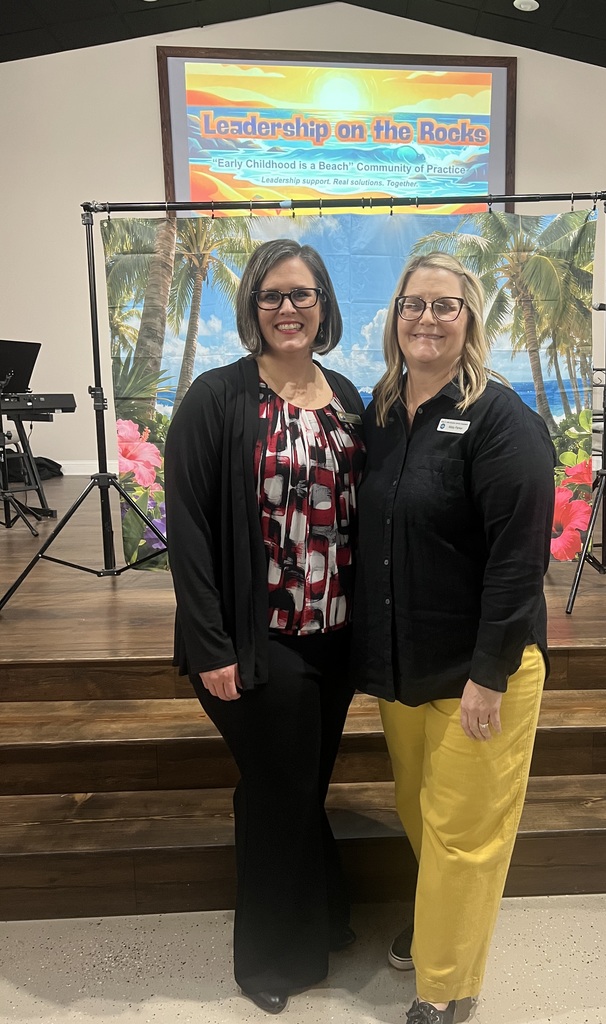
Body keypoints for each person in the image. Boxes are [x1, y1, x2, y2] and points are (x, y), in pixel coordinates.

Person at [164, 238, 365, 1016]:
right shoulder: (217, 398)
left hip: (335, 638)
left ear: (324, 304)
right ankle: (270, 962)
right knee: (278, 792)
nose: (289, 308)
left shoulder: (345, 392)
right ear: (252, 307)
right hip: (256, 642)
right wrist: (212, 645)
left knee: (305, 785)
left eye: (303, 294)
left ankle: (328, 914)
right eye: (273, 296)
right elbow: (189, 531)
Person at [353, 252, 555, 1024]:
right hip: (407, 663)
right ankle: (443, 924)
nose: (427, 320)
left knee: (466, 833)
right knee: (420, 809)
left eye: (446, 306)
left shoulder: (503, 419)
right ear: (394, 318)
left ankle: (443, 988)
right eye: (413, 305)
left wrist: (490, 672)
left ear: (470, 320)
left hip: (483, 668)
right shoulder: (381, 411)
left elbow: (518, 557)